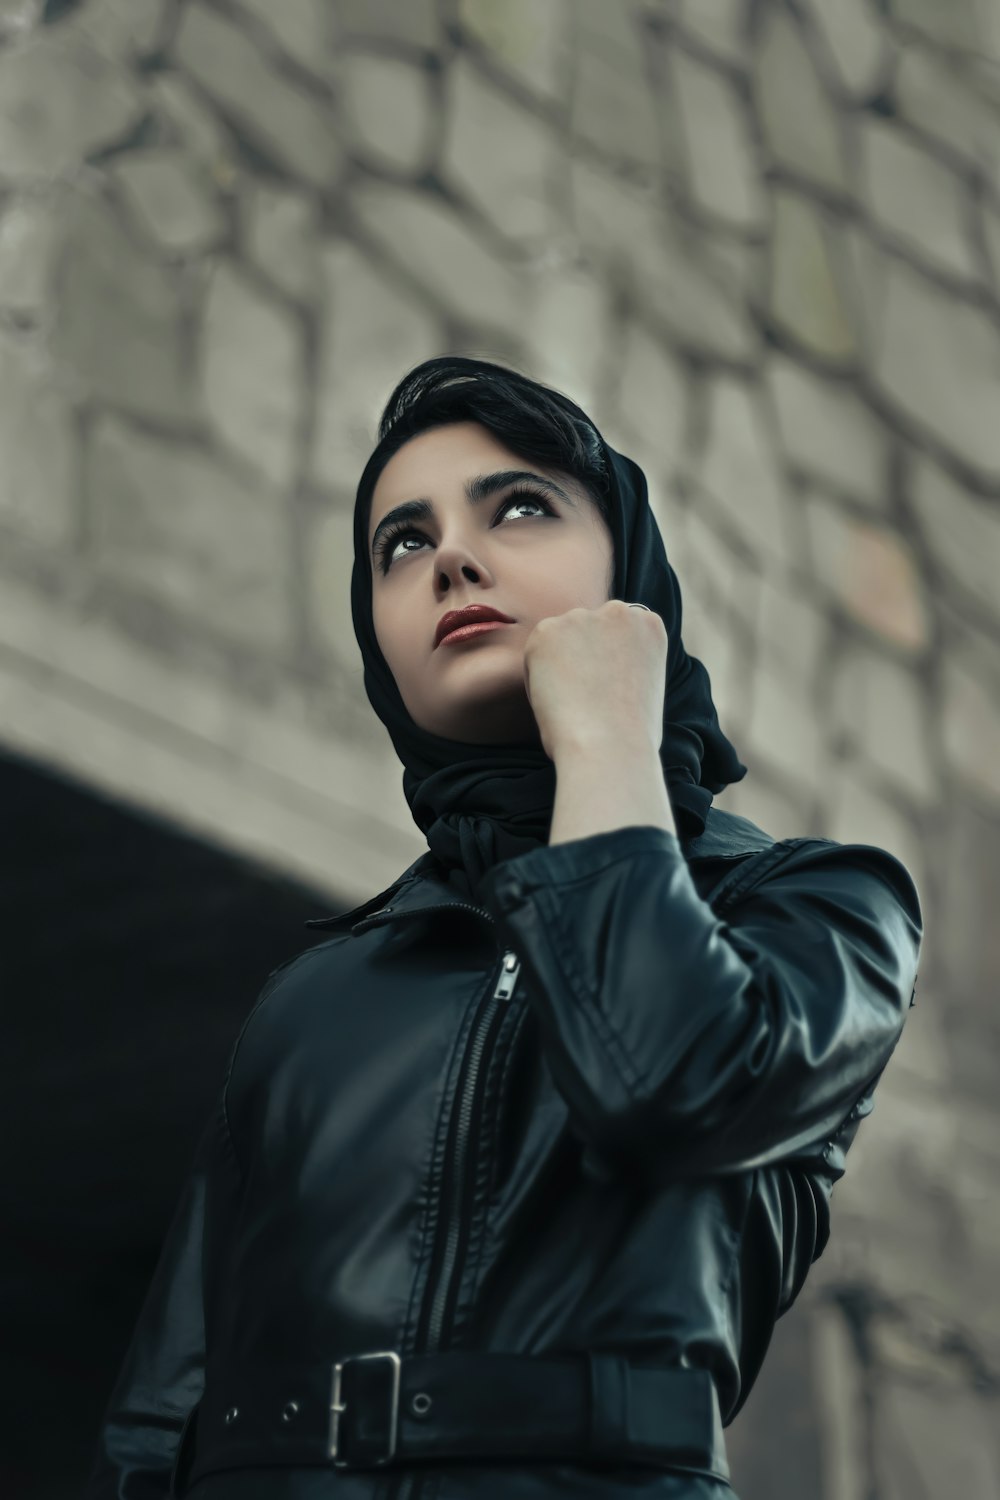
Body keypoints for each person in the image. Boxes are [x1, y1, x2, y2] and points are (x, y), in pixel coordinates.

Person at [84, 355, 923, 1499]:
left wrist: (609, 740)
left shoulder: (814, 905)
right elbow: (157, 1418)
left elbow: (668, 1083)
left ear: (629, 571)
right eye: (402, 544)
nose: (453, 562)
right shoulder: (315, 992)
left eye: (519, 508)